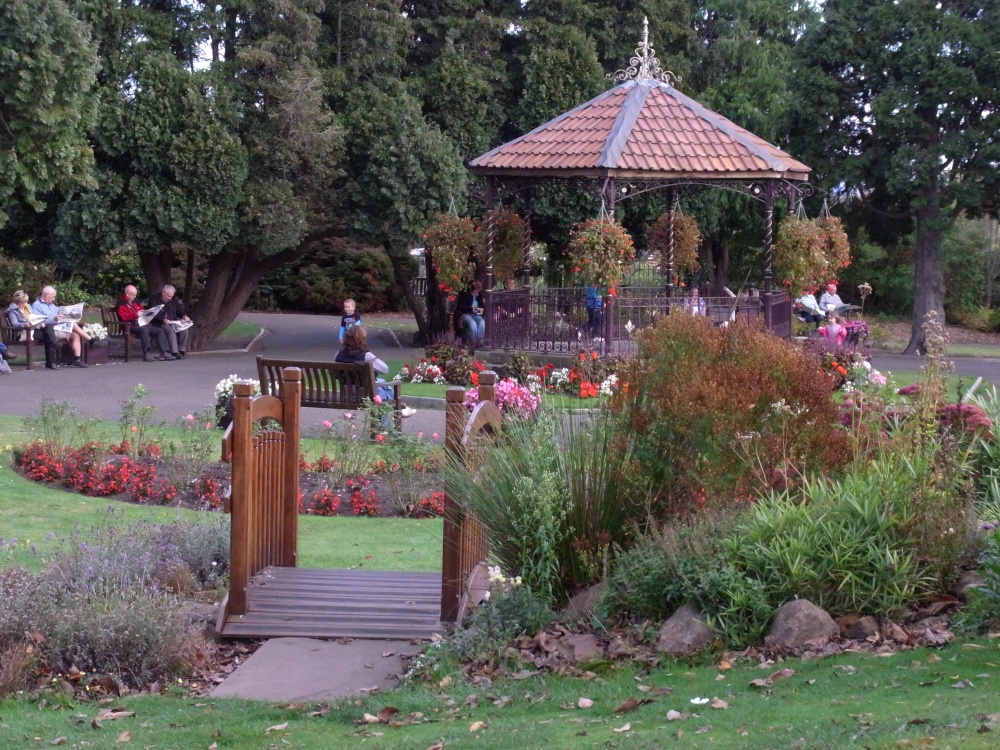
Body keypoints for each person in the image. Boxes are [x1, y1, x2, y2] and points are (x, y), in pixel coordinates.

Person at [335, 326, 416, 417]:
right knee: (382, 392)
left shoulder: (338, 355)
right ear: (362, 340)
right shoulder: (366, 356)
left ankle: (401, 407)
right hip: (366, 394)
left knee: (382, 382)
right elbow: (385, 369)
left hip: (347, 393)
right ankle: (398, 409)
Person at [31, 286, 91, 369]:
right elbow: (38, 321)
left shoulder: (52, 305)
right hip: (48, 330)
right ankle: (90, 339)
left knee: (75, 335)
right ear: (47, 295)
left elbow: (60, 312)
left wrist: (69, 313)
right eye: (53, 296)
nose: (54, 299)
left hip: (58, 327)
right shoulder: (36, 305)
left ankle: (77, 359)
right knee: (73, 325)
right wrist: (54, 318)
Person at [116, 284, 171, 361]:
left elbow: (140, 308)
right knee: (144, 330)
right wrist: (136, 314)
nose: (135, 297)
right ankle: (146, 353)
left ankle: (164, 352)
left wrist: (145, 312)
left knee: (159, 330)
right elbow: (124, 317)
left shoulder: (134, 301)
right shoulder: (121, 303)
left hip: (140, 323)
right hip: (129, 326)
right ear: (128, 294)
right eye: (133, 295)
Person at [147, 284, 191, 358]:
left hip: (173, 321)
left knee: (185, 330)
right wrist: (163, 320)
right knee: (170, 330)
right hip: (159, 322)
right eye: (168, 296)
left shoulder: (172, 300)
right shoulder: (154, 300)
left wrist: (184, 316)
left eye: (171, 296)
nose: (170, 298)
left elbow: (178, 311)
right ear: (163, 293)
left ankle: (181, 350)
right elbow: (152, 314)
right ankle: (174, 352)